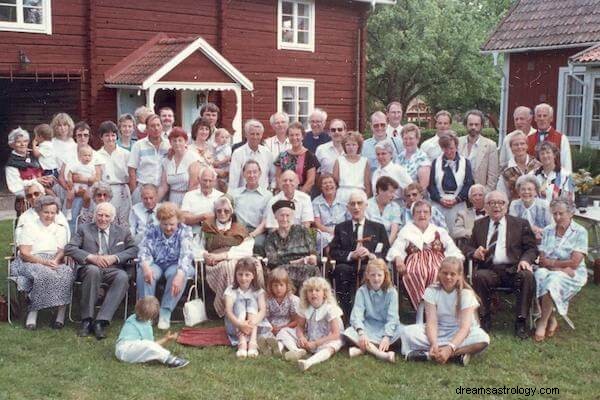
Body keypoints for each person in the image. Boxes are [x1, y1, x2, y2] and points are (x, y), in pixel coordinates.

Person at [463, 191, 538, 339]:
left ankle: (521, 322)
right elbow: (467, 248)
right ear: (486, 206)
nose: (497, 206)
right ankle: (484, 319)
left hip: (514, 269)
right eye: (492, 203)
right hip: (490, 269)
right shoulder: (479, 225)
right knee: (479, 276)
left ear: (507, 205)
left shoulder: (520, 223)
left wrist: (525, 260)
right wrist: (475, 253)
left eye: (501, 203)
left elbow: (532, 248)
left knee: (527, 276)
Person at [64, 202, 138, 339]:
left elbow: (134, 249)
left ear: (113, 218)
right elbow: (69, 248)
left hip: (112, 269)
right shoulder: (83, 229)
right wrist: (91, 257)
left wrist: (115, 258)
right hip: (89, 268)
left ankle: (101, 321)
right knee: (93, 271)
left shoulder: (122, 231)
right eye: (100, 215)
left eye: (107, 216)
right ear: (94, 215)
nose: (103, 219)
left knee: (122, 277)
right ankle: (87, 320)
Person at [401, 257, 490, 366]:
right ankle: (455, 353)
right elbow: (431, 322)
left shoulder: (466, 294)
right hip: (439, 330)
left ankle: (436, 355)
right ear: (439, 273)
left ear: (459, 276)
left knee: (483, 338)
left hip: (460, 333)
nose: (448, 277)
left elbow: (465, 328)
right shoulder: (431, 291)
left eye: (452, 274)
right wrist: (434, 343)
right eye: (445, 273)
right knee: (406, 332)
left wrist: (450, 348)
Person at [387, 200, 464, 310]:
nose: (422, 215)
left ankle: (439, 307)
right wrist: (398, 258)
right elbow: (396, 248)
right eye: (418, 212)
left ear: (430, 215)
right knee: (416, 272)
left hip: (437, 261)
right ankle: (422, 308)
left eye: (425, 212)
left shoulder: (439, 231)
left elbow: (452, 248)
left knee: (438, 271)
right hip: (414, 262)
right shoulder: (406, 230)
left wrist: (457, 259)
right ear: (413, 215)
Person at [12, 196, 72, 330]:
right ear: (39, 211)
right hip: (31, 261)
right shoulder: (30, 226)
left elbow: (62, 250)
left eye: (52, 212)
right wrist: (45, 262)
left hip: (53, 260)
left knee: (66, 272)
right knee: (43, 274)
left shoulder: (59, 228)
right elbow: (25, 253)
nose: (49, 215)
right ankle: (33, 312)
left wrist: (55, 261)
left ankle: (60, 315)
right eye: (46, 212)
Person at [329, 190, 390, 318]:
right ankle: (347, 314)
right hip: (347, 265)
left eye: (359, 203)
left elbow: (386, 252)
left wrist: (371, 255)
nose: (356, 207)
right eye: (352, 204)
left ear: (366, 205)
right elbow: (333, 251)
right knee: (341, 270)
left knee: (367, 272)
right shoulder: (341, 228)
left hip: (369, 265)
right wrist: (351, 255)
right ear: (348, 207)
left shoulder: (378, 228)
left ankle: (369, 314)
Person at [533, 199, 588, 341]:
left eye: (561, 214)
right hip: (555, 270)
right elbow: (543, 260)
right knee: (537, 275)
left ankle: (542, 322)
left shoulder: (580, 232)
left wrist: (554, 265)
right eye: (554, 214)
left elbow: (575, 263)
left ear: (570, 213)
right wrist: (558, 267)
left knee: (552, 280)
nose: (557, 217)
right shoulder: (548, 230)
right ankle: (551, 319)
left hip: (574, 274)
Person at [137, 202, 195, 330]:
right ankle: (147, 313)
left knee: (179, 274)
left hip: (176, 264)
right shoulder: (152, 229)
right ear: (159, 221)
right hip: (156, 263)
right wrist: (146, 267)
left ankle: (165, 312)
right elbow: (144, 250)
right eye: (165, 224)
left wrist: (180, 275)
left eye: (172, 224)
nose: (168, 228)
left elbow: (186, 255)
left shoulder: (185, 231)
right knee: (145, 273)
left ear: (178, 221)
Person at [199, 196, 256, 317]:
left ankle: (247, 307)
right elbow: (197, 246)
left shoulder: (239, 228)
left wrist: (224, 255)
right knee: (229, 266)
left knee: (241, 265)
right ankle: (234, 309)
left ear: (231, 212)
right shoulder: (207, 227)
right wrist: (204, 254)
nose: (222, 213)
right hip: (215, 264)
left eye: (226, 211)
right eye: (219, 211)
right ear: (215, 212)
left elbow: (247, 249)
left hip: (236, 260)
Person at [277, 277, 344, 371]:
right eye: (310, 291)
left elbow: (336, 334)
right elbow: (300, 326)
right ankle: (297, 351)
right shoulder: (305, 307)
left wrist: (316, 343)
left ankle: (308, 362)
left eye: (317, 290)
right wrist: (301, 337)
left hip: (327, 338)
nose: (313, 293)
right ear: (306, 294)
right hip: (311, 335)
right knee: (284, 331)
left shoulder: (330, 309)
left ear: (324, 294)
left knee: (331, 346)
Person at [343, 258, 402, 363]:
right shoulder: (362, 291)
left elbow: (393, 318)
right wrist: (361, 333)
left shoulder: (392, 292)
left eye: (379, 275)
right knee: (349, 332)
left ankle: (362, 349)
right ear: (367, 276)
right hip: (368, 327)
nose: (376, 278)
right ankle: (381, 354)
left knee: (403, 332)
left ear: (385, 275)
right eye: (373, 275)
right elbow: (357, 315)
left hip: (385, 327)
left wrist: (387, 336)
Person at [115, 296, 189, 368]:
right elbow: (151, 345)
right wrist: (166, 339)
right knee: (148, 346)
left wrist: (166, 339)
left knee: (147, 346)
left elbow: (150, 345)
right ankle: (170, 359)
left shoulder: (132, 318)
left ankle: (169, 358)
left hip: (121, 350)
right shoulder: (145, 325)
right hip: (125, 350)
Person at [264, 200, 319, 290]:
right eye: (281, 215)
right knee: (279, 273)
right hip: (283, 270)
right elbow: (273, 261)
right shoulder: (271, 237)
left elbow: (313, 252)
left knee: (313, 270)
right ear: (275, 217)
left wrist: (313, 257)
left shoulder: (302, 230)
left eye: (288, 215)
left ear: (292, 216)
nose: (285, 219)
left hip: (306, 268)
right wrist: (298, 261)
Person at [224, 257, 269, 359]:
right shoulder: (231, 290)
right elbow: (228, 311)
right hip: (235, 325)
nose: (243, 278)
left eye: (247, 275)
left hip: (254, 326)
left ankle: (253, 341)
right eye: (240, 274)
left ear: (253, 276)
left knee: (252, 301)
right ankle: (242, 342)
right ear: (236, 275)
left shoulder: (258, 291)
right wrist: (240, 324)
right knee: (240, 302)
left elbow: (262, 310)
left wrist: (250, 324)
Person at [428, 133, 474, 233]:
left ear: (456, 146)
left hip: (458, 204)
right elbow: (431, 185)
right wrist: (440, 199)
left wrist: (457, 199)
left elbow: (468, 184)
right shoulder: (436, 162)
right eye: (445, 149)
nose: (449, 151)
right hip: (439, 205)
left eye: (451, 148)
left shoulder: (465, 162)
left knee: (456, 233)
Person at [5, 127, 52, 214]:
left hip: (44, 198)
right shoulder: (11, 164)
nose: (23, 144)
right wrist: (35, 182)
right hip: (26, 201)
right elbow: (15, 187)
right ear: (12, 144)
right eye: (18, 142)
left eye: (25, 141)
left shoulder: (33, 155)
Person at [230, 160, 272, 253]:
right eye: (248, 172)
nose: (252, 175)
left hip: (257, 231)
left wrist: (252, 234)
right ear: (243, 174)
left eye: (255, 172)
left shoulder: (268, 195)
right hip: (238, 230)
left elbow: (266, 221)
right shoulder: (235, 194)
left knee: (257, 245)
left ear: (260, 173)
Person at [127, 114, 170, 204]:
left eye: (158, 125)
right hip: (143, 191)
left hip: (163, 192)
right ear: (147, 128)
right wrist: (134, 191)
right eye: (152, 126)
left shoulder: (168, 145)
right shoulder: (138, 145)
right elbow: (132, 170)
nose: (156, 128)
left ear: (162, 127)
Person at [96, 120, 131, 228]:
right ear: (101, 137)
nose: (110, 139)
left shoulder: (125, 154)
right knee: (106, 219)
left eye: (113, 135)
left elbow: (131, 174)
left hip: (122, 190)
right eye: (107, 135)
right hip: (104, 191)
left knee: (123, 221)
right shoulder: (97, 155)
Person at [258, 267, 300, 356]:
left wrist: (284, 327)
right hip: (272, 325)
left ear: (287, 285)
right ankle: (267, 347)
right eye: (275, 285)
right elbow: (265, 316)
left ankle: (279, 349)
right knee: (265, 331)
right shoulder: (268, 299)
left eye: (281, 285)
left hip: (287, 325)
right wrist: (271, 326)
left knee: (283, 335)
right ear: (270, 286)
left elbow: (296, 320)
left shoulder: (292, 299)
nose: (278, 288)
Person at [157, 127, 201, 207]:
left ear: (185, 142)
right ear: (170, 143)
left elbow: (193, 185)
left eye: (180, 140)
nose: (177, 143)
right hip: (172, 199)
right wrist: (154, 201)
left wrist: (185, 205)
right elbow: (164, 187)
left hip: (188, 199)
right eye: (174, 141)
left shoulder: (193, 158)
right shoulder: (167, 160)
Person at [457, 110, 499, 192]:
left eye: (476, 124)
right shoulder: (457, 143)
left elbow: (493, 176)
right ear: (465, 125)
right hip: (459, 193)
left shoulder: (490, 145)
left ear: (482, 126)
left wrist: (484, 195)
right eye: (471, 124)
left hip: (480, 194)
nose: (473, 127)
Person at [274, 122, 320, 194]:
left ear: (302, 136)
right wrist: (285, 193)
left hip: (302, 195)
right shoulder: (282, 156)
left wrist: (298, 196)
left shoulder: (310, 156)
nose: (294, 138)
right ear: (288, 137)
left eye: (297, 135)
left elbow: (310, 181)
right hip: (284, 194)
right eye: (291, 135)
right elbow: (278, 177)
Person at [228, 119, 274, 191]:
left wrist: (271, 191)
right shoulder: (238, 153)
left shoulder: (267, 153)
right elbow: (233, 181)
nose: (255, 137)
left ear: (261, 135)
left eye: (258, 134)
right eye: (252, 134)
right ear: (246, 135)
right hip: (243, 196)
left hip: (263, 196)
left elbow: (273, 177)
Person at [181, 167, 224, 240]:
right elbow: (184, 218)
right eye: (205, 180)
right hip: (192, 234)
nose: (207, 184)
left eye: (210, 181)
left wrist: (193, 218)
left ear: (214, 181)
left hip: (214, 235)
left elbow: (224, 219)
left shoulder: (221, 196)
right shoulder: (189, 195)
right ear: (199, 179)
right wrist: (203, 216)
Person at [498, 131, 542, 200]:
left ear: (527, 146)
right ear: (511, 148)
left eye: (522, 143)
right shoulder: (505, 169)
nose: (519, 147)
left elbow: (541, 189)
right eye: (516, 144)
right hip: (514, 207)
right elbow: (502, 193)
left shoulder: (537, 165)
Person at [528, 103, 572, 173]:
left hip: (555, 179)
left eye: (545, 116)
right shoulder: (528, 139)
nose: (542, 119)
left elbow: (566, 164)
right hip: (534, 180)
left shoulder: (562, 138)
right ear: (535, 119)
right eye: (539, 116)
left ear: (551, 118)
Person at [509, 175, 552, 242]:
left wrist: (539, 230)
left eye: (529, 189)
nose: (526, 192)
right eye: (523, 189)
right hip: (521, 241)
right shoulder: (514, 204)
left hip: (541, 241)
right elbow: (512, 227)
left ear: (535, 192)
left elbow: (551, 227)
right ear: (519, 192)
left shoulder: (544, 205)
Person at [312, 173, 348, 254]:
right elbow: (317, 224)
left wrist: (340, 231)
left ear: (336, 185)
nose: (328, 185)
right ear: (321, 187)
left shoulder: (344, 201)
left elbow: (349, 220)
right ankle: (330, 264)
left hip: (343, 230)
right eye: (325, 183)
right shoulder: (316, 202)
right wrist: (331, 231)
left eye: (331, 182)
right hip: (324, 231)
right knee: (326, 239)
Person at [333, 131, 371, 203]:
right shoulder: (339, 160)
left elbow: (367, 185)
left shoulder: (364, 161)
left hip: (359, 196)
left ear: (358, 146)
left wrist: (366, 201)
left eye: (354, 145)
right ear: (344, 146)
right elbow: (335, 183)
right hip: (342, 196)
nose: (351, 147)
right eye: (348, 145)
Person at [64, 145, 98, 221]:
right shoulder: (77, 165)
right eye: (85, 155)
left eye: (89, 155)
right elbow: (70, 172)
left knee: (88, 197)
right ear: (79, 157)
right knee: (70, 196)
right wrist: (70, 180)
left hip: (86, 187)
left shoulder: (91, 167)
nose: (87, 157)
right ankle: (68, 211)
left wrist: (90, 180)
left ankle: (84, 211)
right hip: (76, 185)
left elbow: (94, 177)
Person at [366, 176, 403, 244]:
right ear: (380, 190)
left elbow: (394, 230)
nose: (393, 196)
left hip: (389, 242)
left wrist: (386, 246)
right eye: (391, 192)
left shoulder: (394, 207)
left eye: (394, 193)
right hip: (370, 242)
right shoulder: (367, 205)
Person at [396, 123, 431, 190]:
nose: (407, 141)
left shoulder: (422, 159)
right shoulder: (400, 157)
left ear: (417, 140)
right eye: (405, 138)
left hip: (414, 199)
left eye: (411, 138)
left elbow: (423, 189)